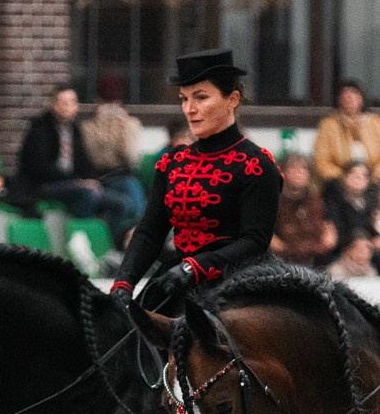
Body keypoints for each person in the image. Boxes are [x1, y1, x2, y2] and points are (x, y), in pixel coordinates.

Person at [109, 48, 281, 307]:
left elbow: (254, 242)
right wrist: (124, 282)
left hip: (240, 287)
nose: (189, 109)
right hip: (178, 279)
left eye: (200, 97)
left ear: (232, 99)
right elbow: (150, 231)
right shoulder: (172, 162)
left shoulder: (256, 164)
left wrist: (196, 267)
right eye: (184, 98)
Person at [15, 84, 133, 239]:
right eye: (64, 103)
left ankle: (110, 245)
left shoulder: (75, 129)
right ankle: (83, 239)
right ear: (54, 105)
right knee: (86, 194)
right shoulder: (40, 129)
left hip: (74, 183)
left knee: (120, 202)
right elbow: (39, 166)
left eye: (72, 102)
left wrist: (90, 179)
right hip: (44, 185)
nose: (68, 107)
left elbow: (84, 162)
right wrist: (76, 182)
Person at [82, 83, 148, 228]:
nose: (110, 109)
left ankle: (137, 234)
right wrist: (99, 126)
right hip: (100, 178)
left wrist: (124, 127)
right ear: (98, 102)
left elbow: (130, 157)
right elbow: (93, 157)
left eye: (114, 104)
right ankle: (132, 237)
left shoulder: (130, 123)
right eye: (107, 104)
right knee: (129, 196)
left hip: (124, 175)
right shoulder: (88, 127)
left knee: (131, 191)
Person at [312, 78, 380, 184]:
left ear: (362, 99)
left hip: (374, 181)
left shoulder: (376, 122)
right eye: (345, 96)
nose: (349, 99)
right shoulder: (328, 125)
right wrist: (345, 178)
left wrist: (377, 175)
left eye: (354, 95)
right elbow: (322, 160)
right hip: (339, 184)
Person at [271, 153, 337, 265]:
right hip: (282, 261)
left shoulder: (318, 200)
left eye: (304, 169)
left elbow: (329, 229)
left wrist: (328, 240)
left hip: (318, 259)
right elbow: (268, 236)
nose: (299, 172)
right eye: (293, 168)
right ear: (282, 172)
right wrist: (282, 248)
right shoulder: (272, 200)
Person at [323, 160, 377, 248]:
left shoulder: (372, 203)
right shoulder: (333, 201)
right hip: (341, 250)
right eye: (353, 173)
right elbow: (337, 232)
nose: (358, 178)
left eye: (364, 175)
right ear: (344, 177)